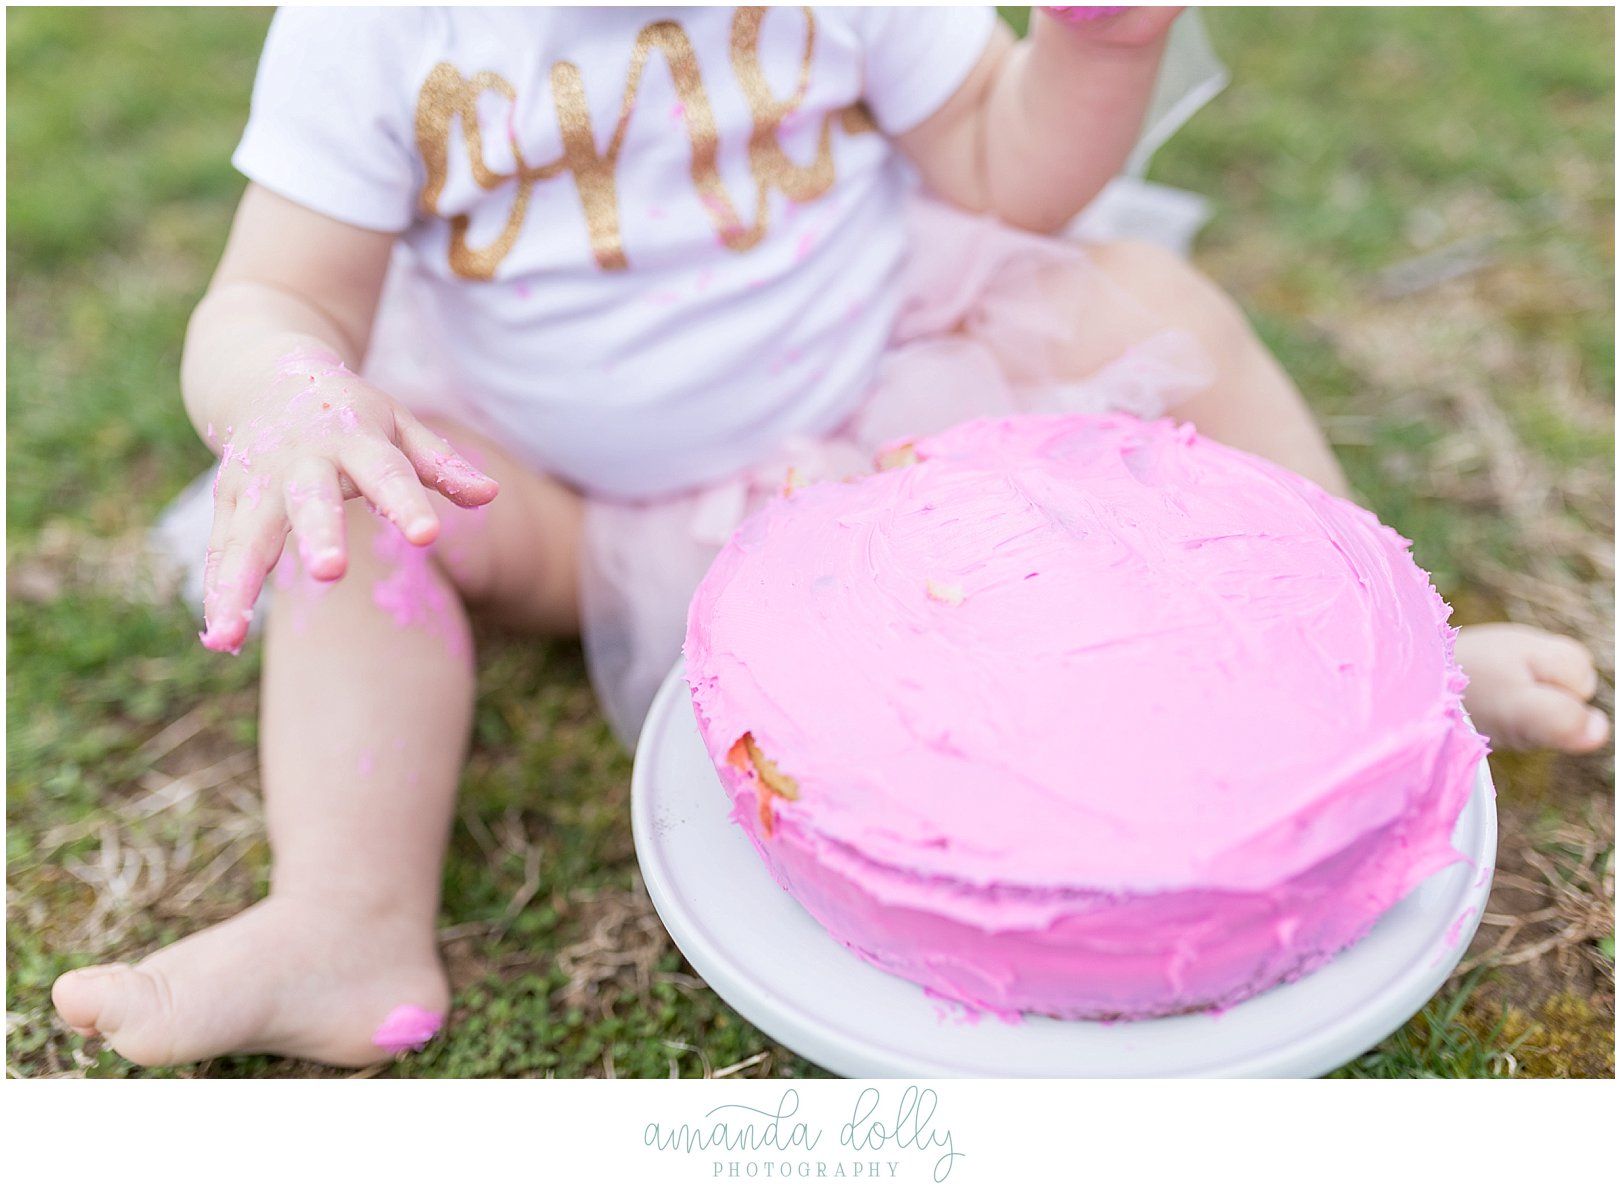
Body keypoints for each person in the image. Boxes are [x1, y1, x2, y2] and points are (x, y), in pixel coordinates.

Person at [52, 6, 1608, 1069]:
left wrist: (1094, 47)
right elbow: (271, 298)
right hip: (547, 483)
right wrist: (294, 395)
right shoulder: (378, 27)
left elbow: (1006, 168)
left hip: (875, 407)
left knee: (1147, 299)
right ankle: (346, 915)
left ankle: (1369, 669)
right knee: (357, 523)